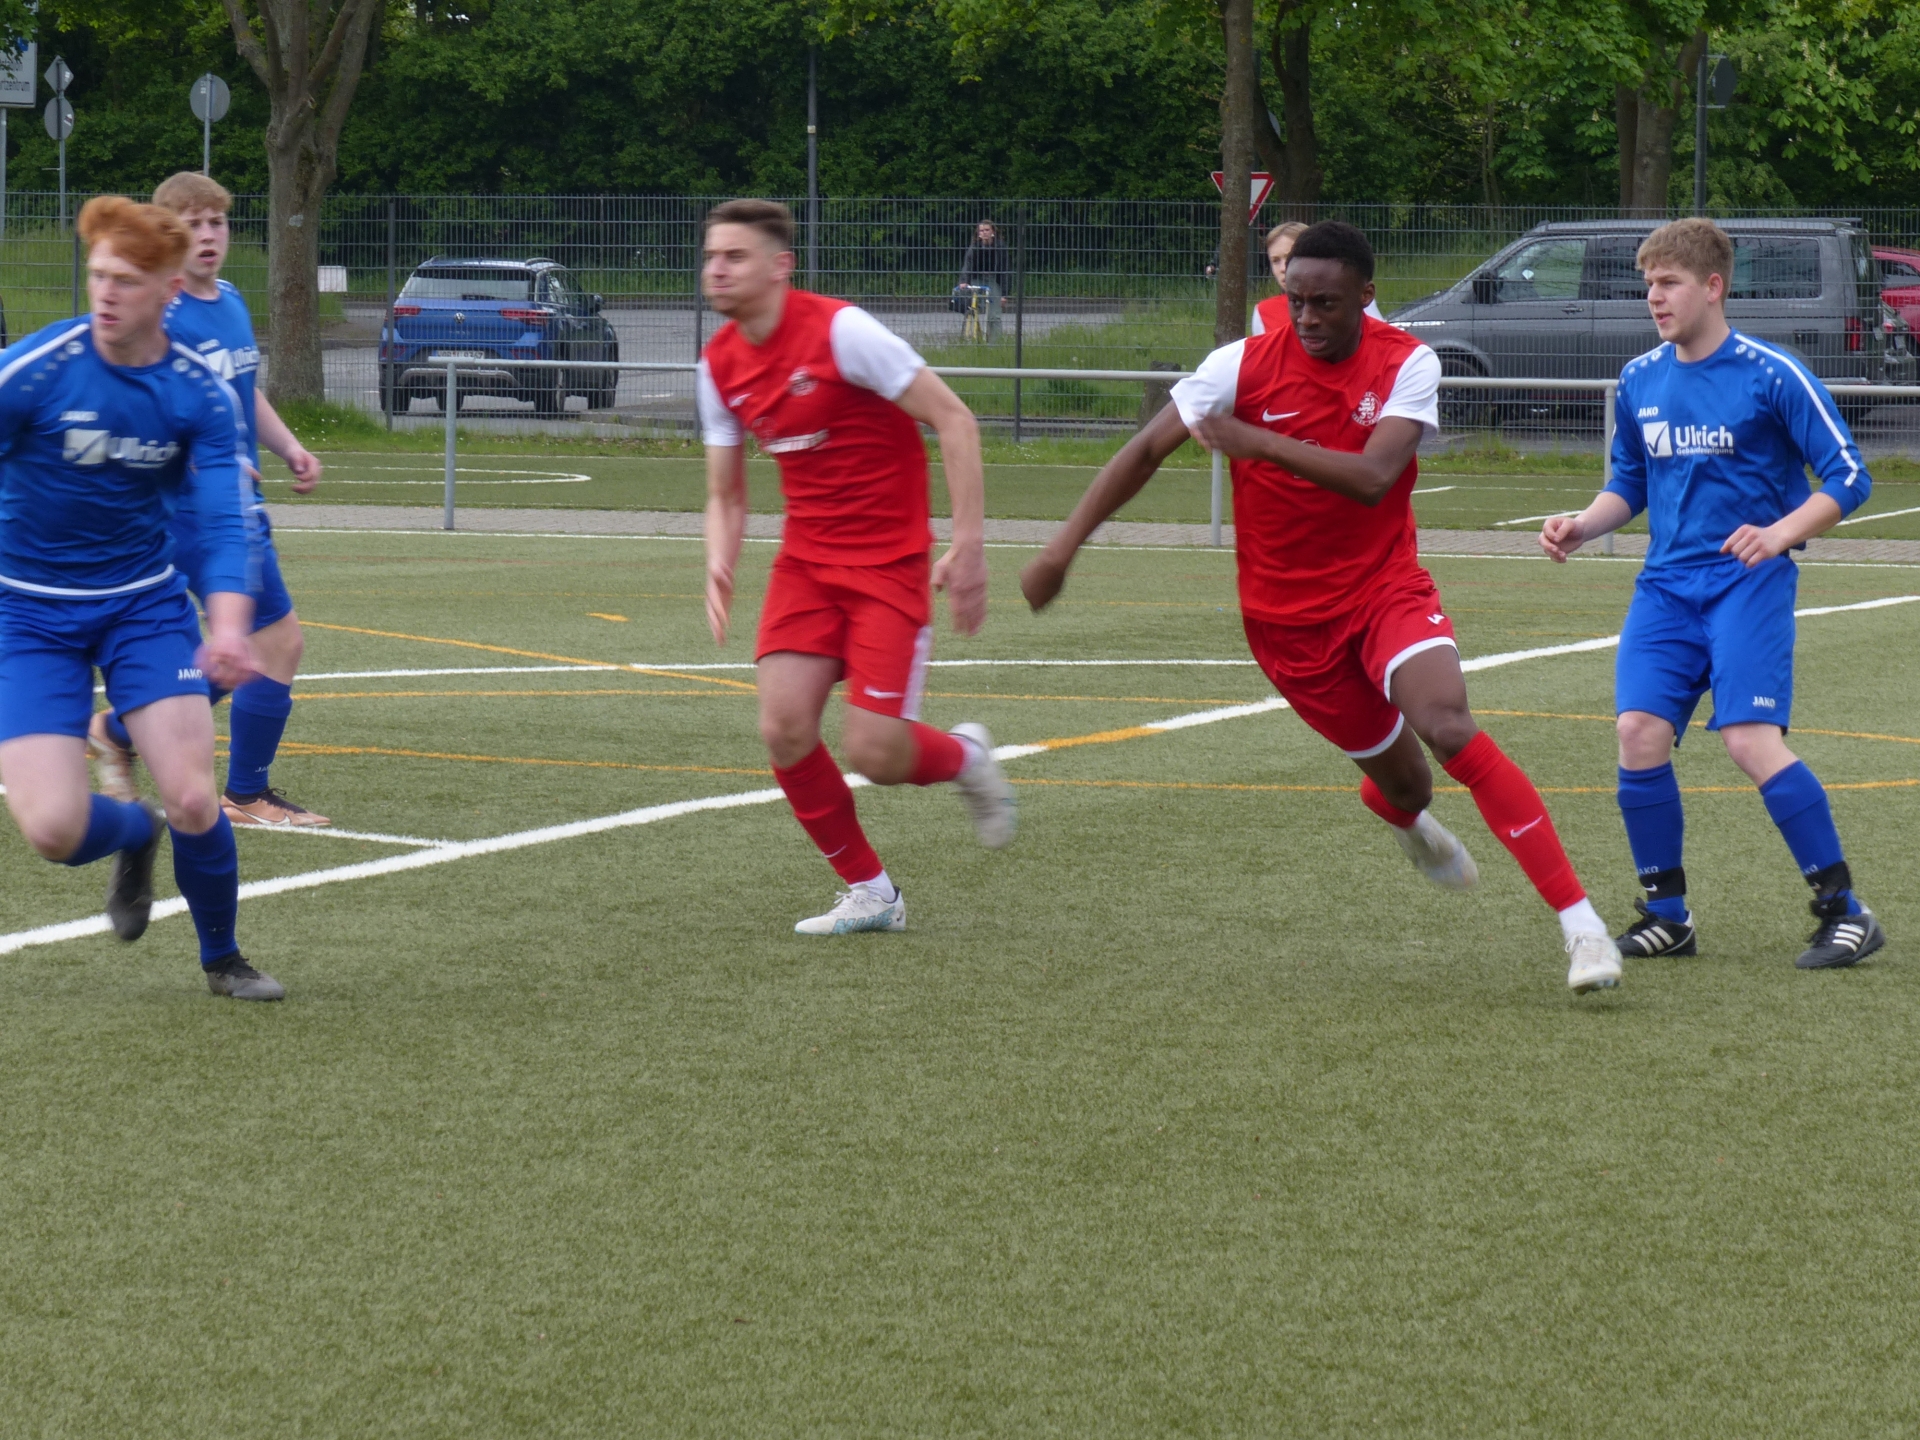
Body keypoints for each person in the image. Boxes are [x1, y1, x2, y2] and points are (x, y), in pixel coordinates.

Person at [1023, 220, 1623, 993]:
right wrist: (1060, 550)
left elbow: (1373, 477)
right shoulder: (1238, 365)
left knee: (1447, 724)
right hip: (1287, 623)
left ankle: (1583, 929)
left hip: (1383, 588)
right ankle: (1404, 817)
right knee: (1408, 788)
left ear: (1365, 297)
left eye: (1326, 304)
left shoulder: (1408, 361)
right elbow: (1143, 451)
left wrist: (1260, 443)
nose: (1307, 318)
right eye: (1297, 300)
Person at [1541, 218, 1885, 970]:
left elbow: (1849, 476)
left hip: (1746, 586)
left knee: (1749, 741)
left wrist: (1779, 533)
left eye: (1669, 283)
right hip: (1666, 590)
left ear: (1713, 287)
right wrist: (1583, 524)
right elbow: (1630, 482)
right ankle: (1667, 916)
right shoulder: (1640, 378)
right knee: (1638, 733)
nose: (1654, 298)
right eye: (1649, 285)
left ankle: (1846, 910)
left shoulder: (1771, 373)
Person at [699, 199, 1018, 935]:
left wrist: (968, 545)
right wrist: (719, 559)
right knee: (784, 728)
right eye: (712, 256)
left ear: (780, 266)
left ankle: (965, 758)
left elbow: (956, 419)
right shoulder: (717, 364)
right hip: (806, 565)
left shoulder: (842, 332)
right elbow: (726, 492)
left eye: (735, 256)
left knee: (874, 752)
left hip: (887, 563)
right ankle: (872, 892)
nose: (717, 269)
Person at [0, 196, 282, 1000]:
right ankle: (134, 832)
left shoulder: (197, 392)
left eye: (126, 280)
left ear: (168, 288)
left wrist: (228, 626)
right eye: (97, 275)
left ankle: (223, 958)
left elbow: (223, 520)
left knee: (194, 795)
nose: (106, 293)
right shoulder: (34, 370)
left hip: (142, 607)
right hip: (26, 613)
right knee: (54, 830)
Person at [88, 172, 329, 828]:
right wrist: (202, 461)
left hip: (235, 503)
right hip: (195, 511)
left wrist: (288, 445)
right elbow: (142, 403)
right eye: (191, 224)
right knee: (276, 641)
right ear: (167, 238)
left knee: (257, 646)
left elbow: (244, 389)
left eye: (215, 221)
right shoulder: (163, 316)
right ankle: (245, 794)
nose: (207, 235)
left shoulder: (230, 301)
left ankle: (120, 730)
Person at [1251, 220, 1382, 335]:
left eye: (1290, 257)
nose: (1283, 268)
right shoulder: (1264, 311)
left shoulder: (1352, 297)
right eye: (1275, 260)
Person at [958, 219, 1010, 337]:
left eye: (987, 230)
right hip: (977, 279)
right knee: (970, 309)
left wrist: (1004, 294)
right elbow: (967, 265)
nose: (984, 232)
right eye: (981, 230)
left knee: (994, 316)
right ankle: (969, 338)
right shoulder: (974, 247)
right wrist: (964, 281)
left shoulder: (1000, 247)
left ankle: (995, 343)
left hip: (993, 280)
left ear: (993, 232)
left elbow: (1005, 270)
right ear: (978, 233)